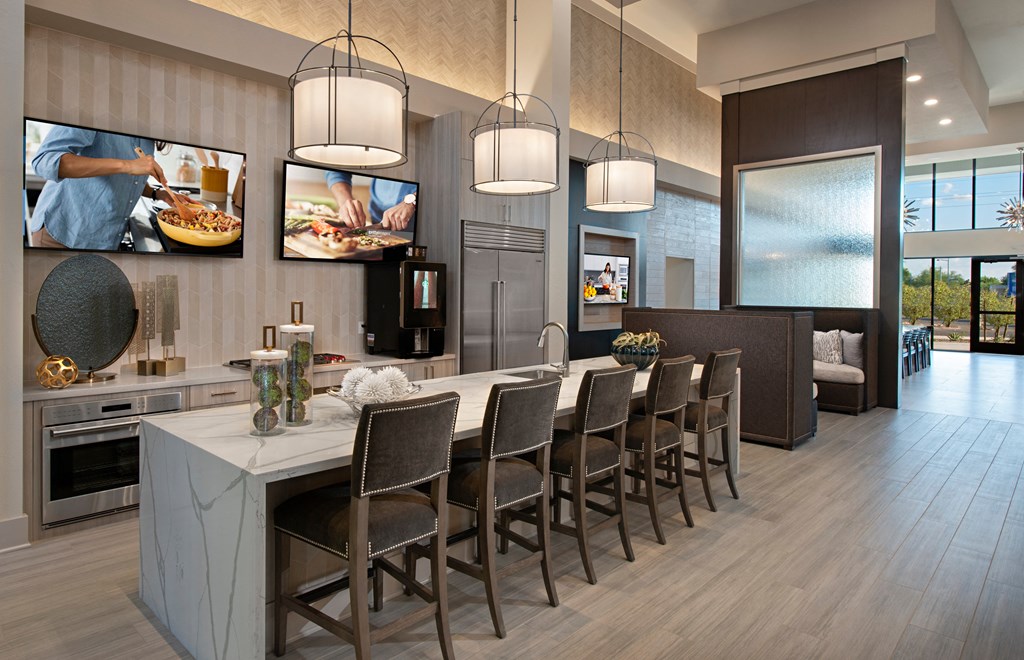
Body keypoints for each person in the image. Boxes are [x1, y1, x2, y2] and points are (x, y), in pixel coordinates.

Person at [29, 125, 187, 250]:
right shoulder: (97, 109)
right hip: (63, 233)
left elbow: (125, 180)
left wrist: (157, 193)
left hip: (102, 241)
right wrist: (128, 165)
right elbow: (45, 160)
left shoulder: (147, 133)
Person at [325, 170, 417, 230]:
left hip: (415, 225)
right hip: (377, 219)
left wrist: (411, 202)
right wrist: (345, 202)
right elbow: (336, 170)